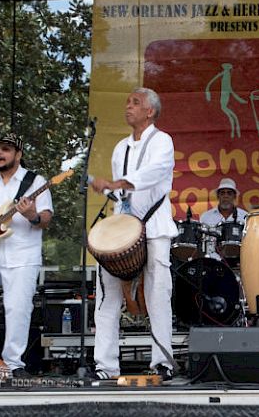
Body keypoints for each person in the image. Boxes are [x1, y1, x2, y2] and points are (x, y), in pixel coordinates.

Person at [90, 87, 178, 381]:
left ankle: (162, 362)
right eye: (127, 102)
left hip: (155, 227)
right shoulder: (120, 148)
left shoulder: (162, 141)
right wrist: (110, 190)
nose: (128, 107)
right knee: (106, 294)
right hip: (123, 228)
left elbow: (155, 172)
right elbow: (122, 196)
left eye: (135, 103)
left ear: (150, 111)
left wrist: (117, 183)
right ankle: (105, 365)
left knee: (158, 294)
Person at [0, 133, 53, 377]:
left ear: (18, 155)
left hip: (23, 256)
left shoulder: (36, 182)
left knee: (18, 309)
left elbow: (45, 219)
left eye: (6, 149)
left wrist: (32, 215)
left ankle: (14, 364)